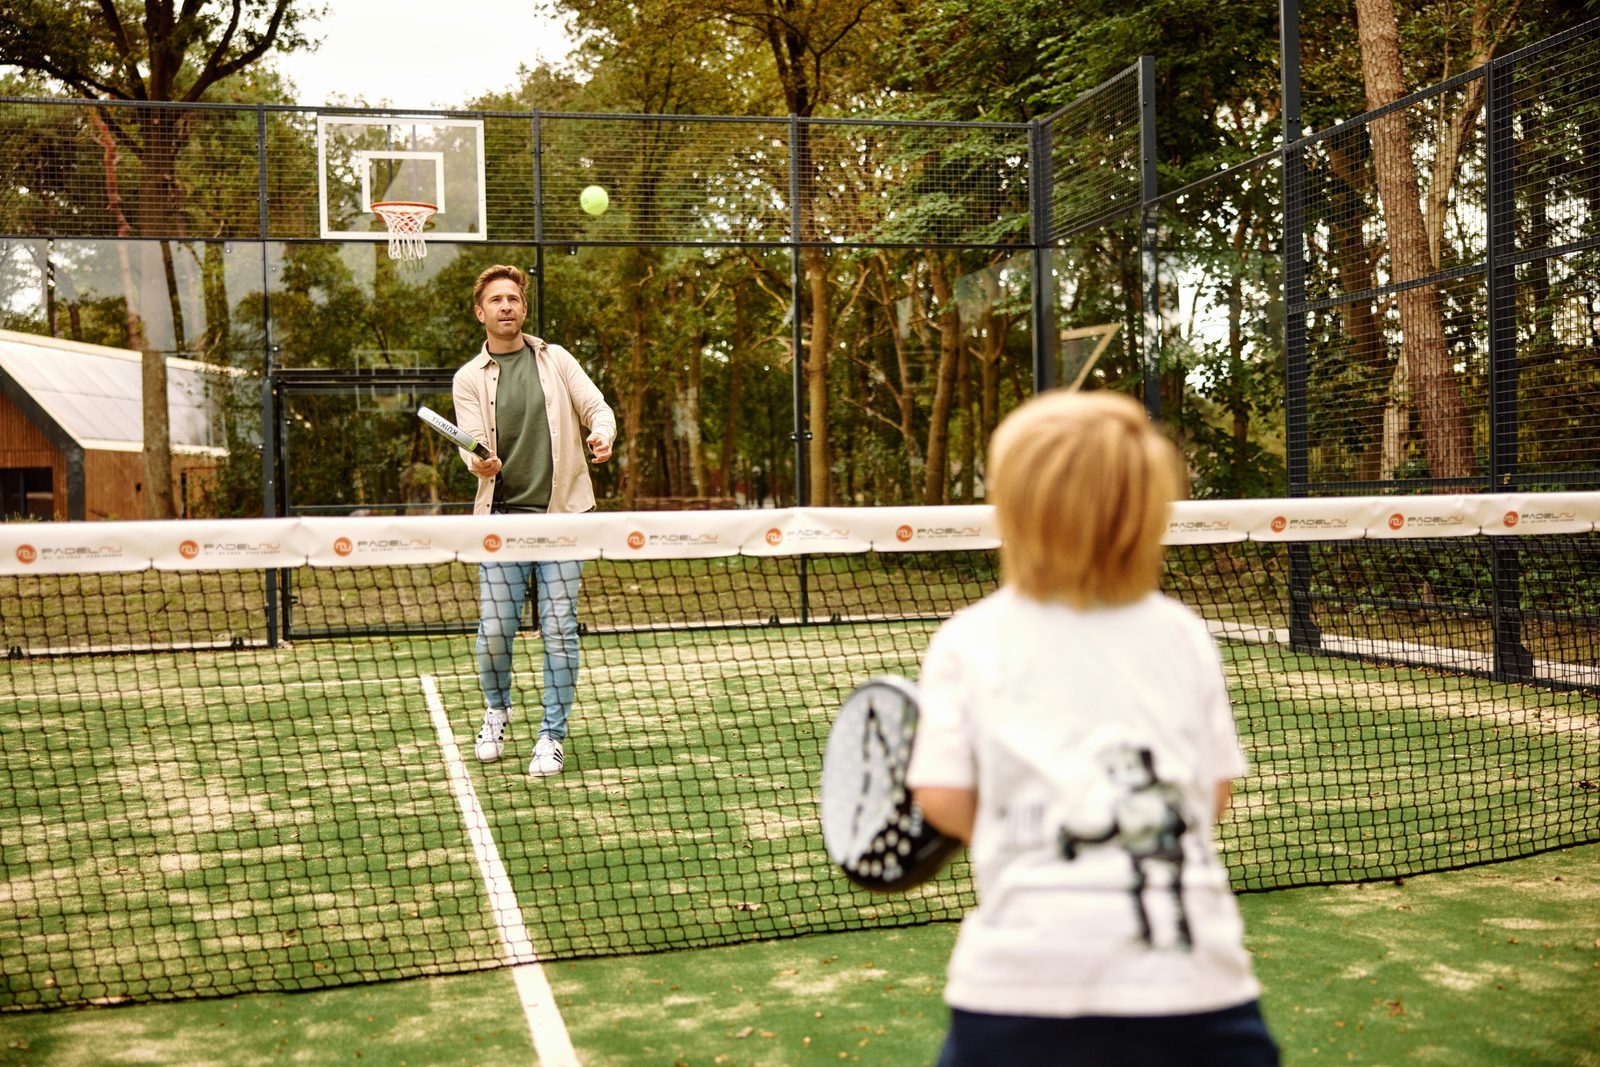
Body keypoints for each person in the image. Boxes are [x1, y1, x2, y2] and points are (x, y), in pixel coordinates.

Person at [906, 390, 1279, 1067]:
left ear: (1012, 512)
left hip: (1020, 995)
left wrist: (1030, 822)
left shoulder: (966, 640)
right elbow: (1212, 794)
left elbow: (941, 797)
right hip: (1199, 993)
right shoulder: (1184, 634)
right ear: (1146, 513)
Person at [452, 264, 616, 778]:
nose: (506, 306)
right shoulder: (467, 378)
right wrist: (478, 463)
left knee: (560, 628)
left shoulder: (557, 359)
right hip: (501, 524)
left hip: (565, 520)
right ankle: (497, 709)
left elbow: (597, 408)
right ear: (481, 313)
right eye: (496, 300)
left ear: (523, 309)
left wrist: (603, 433)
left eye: (513, 299)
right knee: (496, 631)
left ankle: (551, 736)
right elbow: (471, 441)